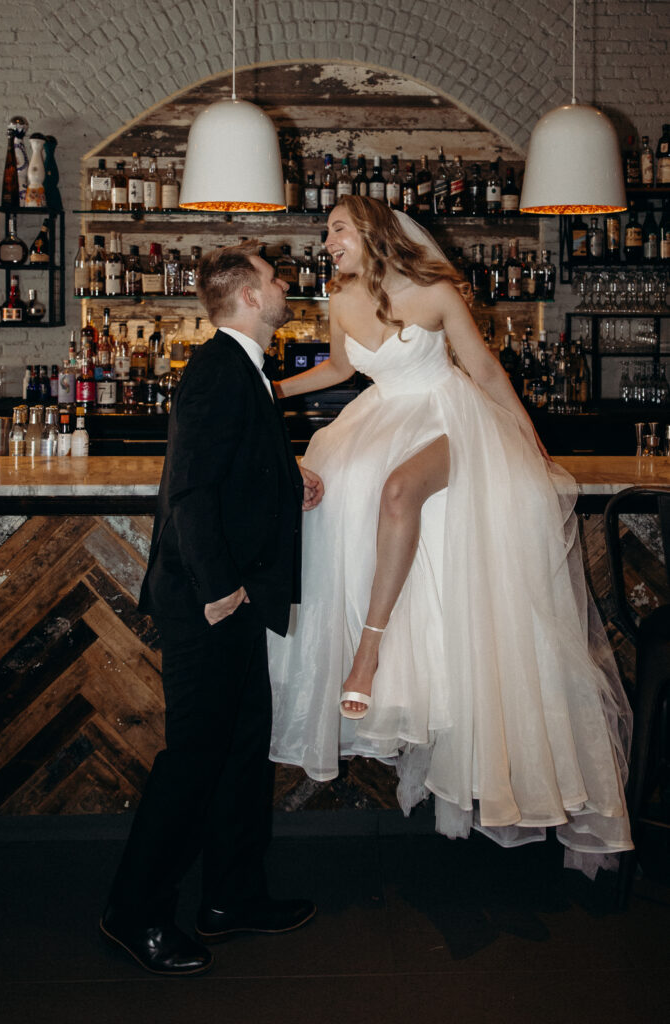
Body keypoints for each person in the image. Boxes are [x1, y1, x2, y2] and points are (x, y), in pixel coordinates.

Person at [267, 196, 632, 874]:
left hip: (449, 419)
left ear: (372, 232)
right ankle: (387, 665)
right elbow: (341, 371)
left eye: (337, 229)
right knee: (337, 501)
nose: (328, 241)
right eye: (327, 233)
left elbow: (485, 372)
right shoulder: (338, 292)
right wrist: (269, 392)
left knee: (398, 491)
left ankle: (368, 656)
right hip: (376, 420)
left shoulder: (433, 291)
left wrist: (528, 446)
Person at [101, 243, 324, 976]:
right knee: (194, 759)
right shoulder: (216, 370)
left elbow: (231, 469)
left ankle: (232, 897)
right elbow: (188, 492)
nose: (285, 285)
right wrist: (217, 589)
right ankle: (133, 912)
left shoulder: (241, 370)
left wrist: (289, 478)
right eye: (274, 278)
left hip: (236, 596)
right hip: (209, 601)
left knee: (238, 751)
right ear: (250, 296)